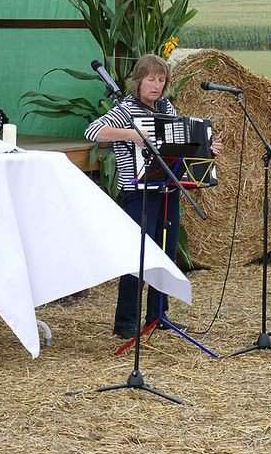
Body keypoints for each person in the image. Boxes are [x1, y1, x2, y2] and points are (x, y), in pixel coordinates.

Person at [85, 54, 223, 339]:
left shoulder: (166, 107)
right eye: (151, 79)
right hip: (138, 192)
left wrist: (208, 148)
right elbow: (93, 131)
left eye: (161, 80)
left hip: (167, 187)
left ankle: (158, 314)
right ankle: (126, 321)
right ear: (138, 81)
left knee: (166, 253)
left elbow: (179, 142)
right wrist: (131, 135)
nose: (156, 86)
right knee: (138, 255)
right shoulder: (126, 109)